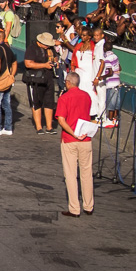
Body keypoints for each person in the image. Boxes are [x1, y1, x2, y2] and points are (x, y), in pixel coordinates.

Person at [55, 72, 94, 217]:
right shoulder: (86, 96)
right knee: (86, 173)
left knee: (71, 174)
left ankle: (74, 208)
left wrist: (72, 133)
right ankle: (88, 205)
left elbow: (61, 120)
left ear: (68, 82)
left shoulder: (64, 98)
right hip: (86, 140)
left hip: (70, 140)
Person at [23, 32, 57, 134]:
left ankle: (49, 127)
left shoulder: (50, 49)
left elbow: (55, 57)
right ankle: (39, 127)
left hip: (48, 78)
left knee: (49, 102)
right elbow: (28, 64)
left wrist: (55, 61)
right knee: (36, 102)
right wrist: (44, 65)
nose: (48, 46)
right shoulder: (32, 49)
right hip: (35, 79)